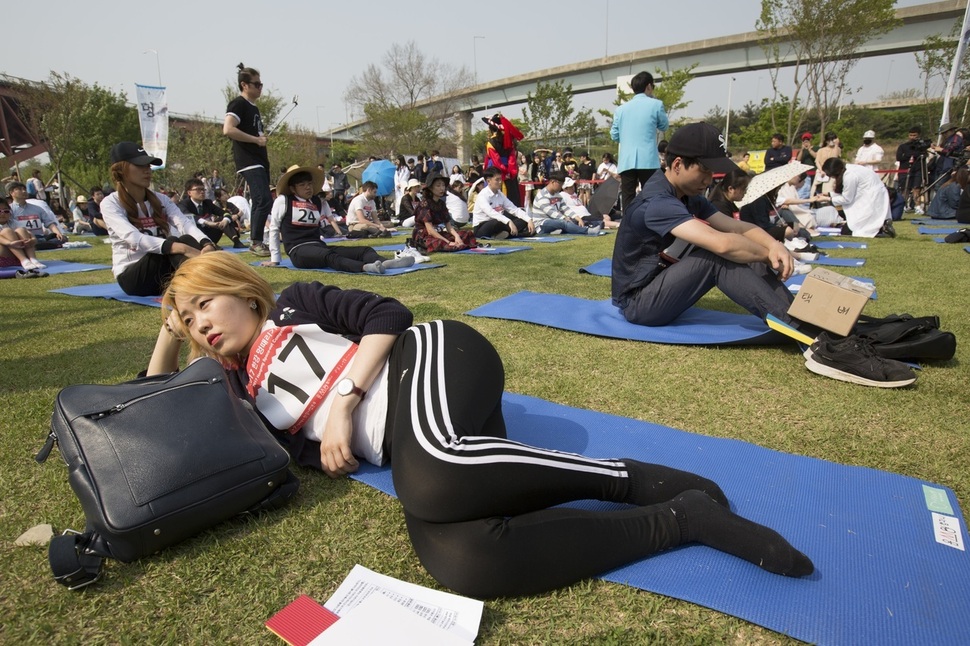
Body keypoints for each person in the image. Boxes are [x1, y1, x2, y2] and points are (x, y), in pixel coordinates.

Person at [148, 251, 814, 598]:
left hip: (434, 360)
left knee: (429, 484)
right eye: (190, 320)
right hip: (423, 448)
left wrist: (346, 400)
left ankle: (623, 478)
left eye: (206, 302)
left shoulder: (294, 305)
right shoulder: (235, 387)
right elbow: (157, 411)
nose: (203, 322)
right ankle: (681, 521)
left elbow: (390, 314)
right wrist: (166, 332)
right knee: (461, 559)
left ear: (242, 288)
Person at [612, 123, 915, 388]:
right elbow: (723, 244)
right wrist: (764, 254)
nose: (711, 177)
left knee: (738, 252)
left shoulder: (688, 196)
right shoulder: (657, 201)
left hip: (662, 284)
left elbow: (736, 225)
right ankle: (817, 344)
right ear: (678, 164)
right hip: (640, 303)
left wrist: (774, 246)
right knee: (718, 256)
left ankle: (809, 324)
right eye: (704, 169)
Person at [101, 142, 217, 296]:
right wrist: (182, 248)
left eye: (148, 166)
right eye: (140, 165)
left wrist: (206, 244)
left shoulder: (161, 199)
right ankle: (209, 285)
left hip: (163, 271)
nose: (147, 171)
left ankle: (212, 283)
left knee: (186, 238)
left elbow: (184, 223)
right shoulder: (110, 203)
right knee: (172, 246)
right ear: (121, 170)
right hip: (134, 278)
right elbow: (133, 238)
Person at [262, 165, 411, 274]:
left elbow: (330, 218)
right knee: (329, 257)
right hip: (298, 251)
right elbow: (274, 228)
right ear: (293, 189)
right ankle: (365, 268)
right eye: (302, 185)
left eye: (309, 184)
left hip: (319, 246)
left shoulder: (317, 201)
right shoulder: (283, 201)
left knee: (364, 250)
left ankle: (386, 262)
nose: (308, 188)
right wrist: (275, 258)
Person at [223, 63, 272, 257]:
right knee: (262, 199)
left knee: (264, 200)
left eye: (261, 84)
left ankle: (257, 240)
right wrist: (255, 139)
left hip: (259, 159)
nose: (260, 87)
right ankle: (256, 241)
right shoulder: (238, 104)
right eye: (257, 84)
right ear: (245, 85)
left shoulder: (254, 108)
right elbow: (228, 129)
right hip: (248, 160)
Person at [610, 71, 669, 212]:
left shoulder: (621, 109)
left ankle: (628, 228)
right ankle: (651, 226)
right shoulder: (656, 104)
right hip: (648, 159)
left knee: (628, 197)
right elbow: (664, 126)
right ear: (649, 86)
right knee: (652, 196)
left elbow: (614, 135)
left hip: (627, 160)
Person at [820, 158, 892, 238]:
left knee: (854, 229)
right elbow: (850, 192)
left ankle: (879, 232)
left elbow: (847, 199)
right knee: (871, 220)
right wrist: (829, 194)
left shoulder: (849, 176)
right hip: (873, 193)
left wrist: (828, 199)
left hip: (871, 196)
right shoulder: (849, 169)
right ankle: (882, 227)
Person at [411, 173, 477, 253]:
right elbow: (430, 230)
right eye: (438, 186)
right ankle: (451, 244)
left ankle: (455, 244)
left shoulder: (441, 203)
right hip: (423, 235)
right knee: (438, 243)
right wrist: (448, 242)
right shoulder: (424, 204)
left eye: (443, 185)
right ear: (431, 188)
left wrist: (457, 237)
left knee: (466, 234)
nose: (442, 188)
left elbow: (449, 226)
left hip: (437, 232)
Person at [178, 178, 246, 248]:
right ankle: (210, 245)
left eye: (203, 189)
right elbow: (190, 217)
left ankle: (236, 241)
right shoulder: (183, 204)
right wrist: (207, 222)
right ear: (189, 193)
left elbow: (225, 213)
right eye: (198, 189)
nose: (202, 192)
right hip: (195, 237)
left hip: (210, 234)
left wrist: (226, 220)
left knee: (222, 219)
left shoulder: (208, 203)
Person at [531, 172, 602, 235]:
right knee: (564, 222)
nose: (561, 187)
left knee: (571, 221)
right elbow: (551, 212)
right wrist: (564, 218)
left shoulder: (557, 194)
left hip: (554, 221)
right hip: (542, 224)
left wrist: (578, 218)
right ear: (553, 182)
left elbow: (565, 208)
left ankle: (562, 229)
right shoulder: (542, 195)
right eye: (560, 184)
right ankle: (588, 231)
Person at [472, 168, 534, 239]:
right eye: (497, 180)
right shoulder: (482, 195)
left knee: (522, 216)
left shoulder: (500, 194)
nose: (500, 182)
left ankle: (504, 234)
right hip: (483, 226)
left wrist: (529, 220)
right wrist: (508, 221)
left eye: (501, 179)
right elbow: (491, 213)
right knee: (497, 222)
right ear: (488, 181)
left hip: (500, 222)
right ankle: (513, 233)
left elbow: (513, 209)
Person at [5, 181, 67, 249]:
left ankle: (39, 244)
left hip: (40, 237)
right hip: (22, 238)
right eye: (19, 189)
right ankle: (40, 245)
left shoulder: (37, 208)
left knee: (61, 239)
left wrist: (58, 233)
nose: (24, 191)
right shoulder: (8, 210)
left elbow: (49, 223)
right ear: (11, 193)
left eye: (24, 189)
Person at [483, 113, 525, 206]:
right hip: (509, 171)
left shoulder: (491, 143)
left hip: (496, 170)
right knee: (512, 194)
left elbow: (496, 160)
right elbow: (512, 158)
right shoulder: (508, 141)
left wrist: (503, 173)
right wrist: (510, 172)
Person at [0, 196, 48, 274]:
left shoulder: (13, 222)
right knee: (7, 231)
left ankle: (32, 259)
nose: (2, 213)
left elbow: (28, 233)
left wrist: (32, 240)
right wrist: (9, 243)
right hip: (3, 257)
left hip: (16, 255)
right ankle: (24, 260)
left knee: (21, 230)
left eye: (6, 211)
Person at [895, 126, 928, 211]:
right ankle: (902, 205)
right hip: (905, 169)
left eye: (915, 135)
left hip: (918, 169)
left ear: (918, 135)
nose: (912, 137)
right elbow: (899, 157)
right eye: (911, 135)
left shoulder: (921, 146)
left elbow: (924, 156)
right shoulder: (903, 146)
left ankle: (917, 206)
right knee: (905, 188)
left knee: (916, 188)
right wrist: (909, 156)